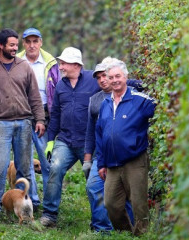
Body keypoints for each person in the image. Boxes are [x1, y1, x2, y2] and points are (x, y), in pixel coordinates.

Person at [0, 28, 45, 220]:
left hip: (24, 123)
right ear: (1, 45)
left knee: (24, 168)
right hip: (1, 124)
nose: (16, 48)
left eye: (16, 45)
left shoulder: (24, 66)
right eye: (12, 45)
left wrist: (39, 119)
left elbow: (34, 96)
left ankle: (24, 207)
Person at [39, 47, 100, 227]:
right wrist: (51, 141)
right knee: (55, 168)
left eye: (64, 63)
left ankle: (99, 220)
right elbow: (55, 113)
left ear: (76, 64)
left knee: (94, 180)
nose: (61, 66)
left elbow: (112, 85)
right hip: (65, 140)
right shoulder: (60, 85)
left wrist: (133, 84)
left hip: (88, 143)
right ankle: (49, 215)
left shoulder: (93, 80)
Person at [96, 60, 156, 235]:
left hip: (135, 160)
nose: (114, 80)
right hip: (112, 163)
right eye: (111, 77)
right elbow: (100, 134)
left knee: (138, 203)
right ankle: (125, 233)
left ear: (126, 77)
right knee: (111, 203)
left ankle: (142, 235)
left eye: (118, 76)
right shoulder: (105, 104)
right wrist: (101, 163)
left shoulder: (139, 100)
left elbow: (161, 105)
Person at [83, 57, 142, 232]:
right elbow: (90, 131)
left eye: (105, 75)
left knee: (125, 194)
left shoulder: (131, 93)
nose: (102, 80)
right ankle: (102, 228)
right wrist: (87, 160)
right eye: (98, 77)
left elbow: (143, 85)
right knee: (94, 187)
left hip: (126, 155)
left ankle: (126, 230)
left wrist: (123, 78)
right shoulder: (94, 100)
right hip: (101, 156)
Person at [17, 28, 60, 211]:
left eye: (35, 41)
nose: (32, 45)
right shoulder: (16, 61)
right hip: (22, 115)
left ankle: (50, 203)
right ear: (23, 44)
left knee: (47, 161)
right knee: (24, 161)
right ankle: (32, 200)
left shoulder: (50, 62)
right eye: (28, 42)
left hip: (45, 116)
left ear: (41, 42)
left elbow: (58, 90)